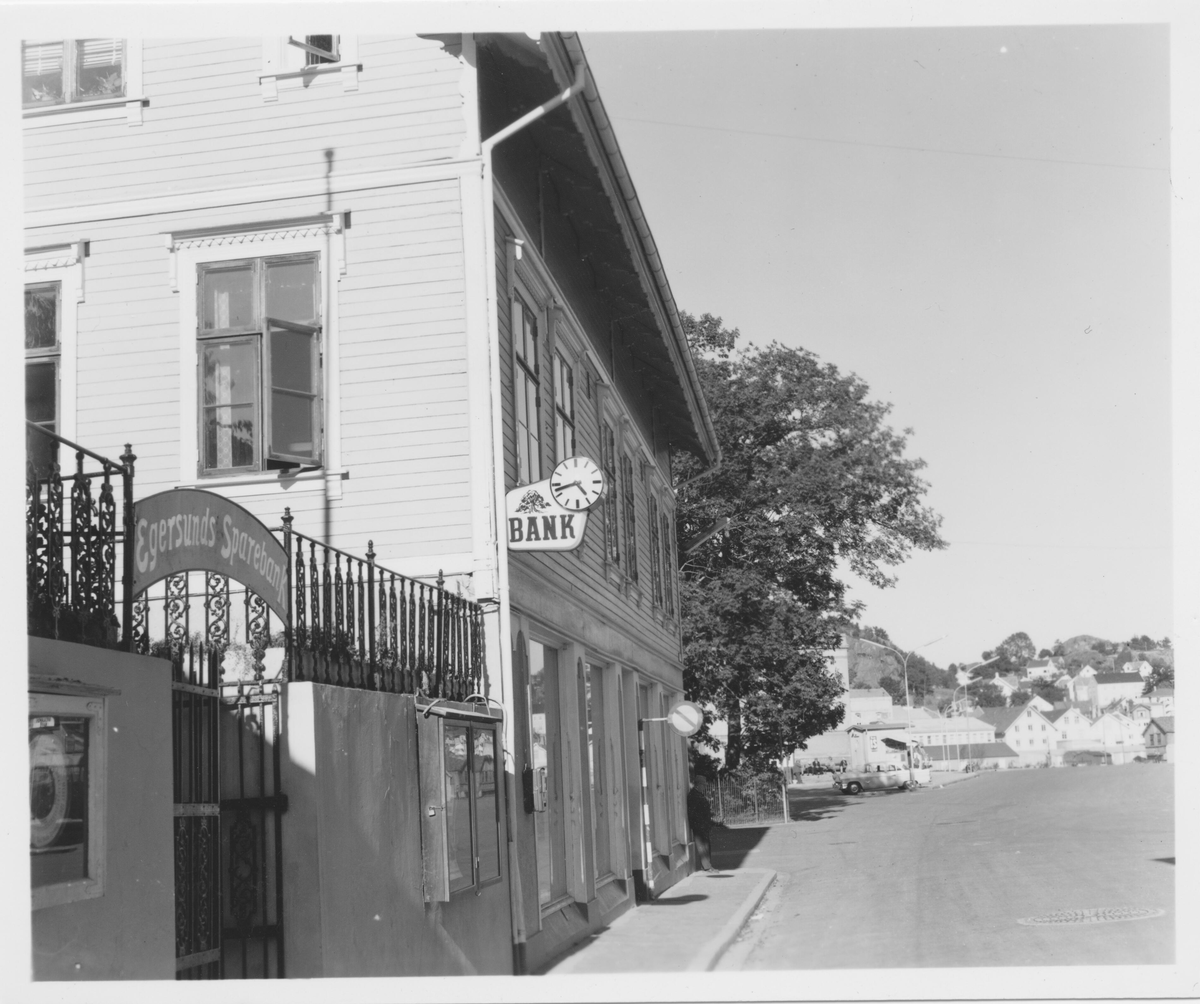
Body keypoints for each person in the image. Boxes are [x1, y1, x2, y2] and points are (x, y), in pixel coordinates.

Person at [687, 781, 716, 871]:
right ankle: (707, 867)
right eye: (703, 785)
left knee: (706, 845)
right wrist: (699, 823)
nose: (704, 787)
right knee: (702, 846)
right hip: (699, 825)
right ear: (698, 785)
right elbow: (693, 812)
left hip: (703, 824)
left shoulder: (698, 794)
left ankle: (706, 866)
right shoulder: (693, 795)